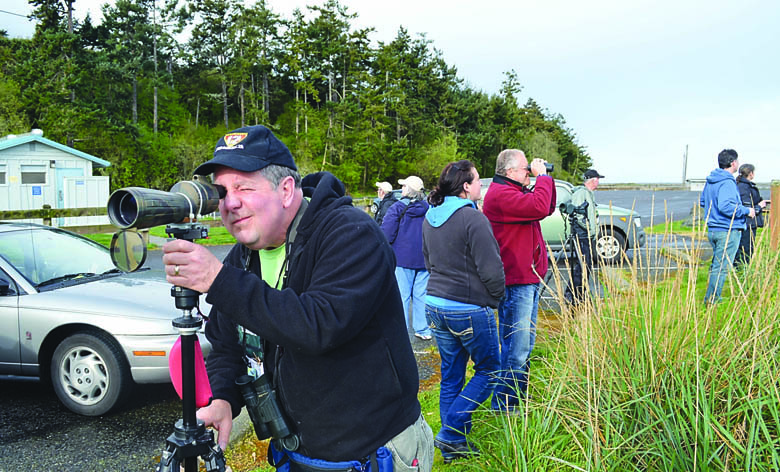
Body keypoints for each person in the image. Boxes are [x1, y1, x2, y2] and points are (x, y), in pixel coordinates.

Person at [161, 125, 433, 471]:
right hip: (298, 453)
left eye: (244, 186)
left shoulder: (351, 234)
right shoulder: (242, 259)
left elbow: (319, 325)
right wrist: (224, 400)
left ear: (286, 189)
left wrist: (218, 280)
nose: (230, 202)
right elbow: (225, 345)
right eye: (221, 192)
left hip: (374, 452)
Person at [421, 160, 504, 463]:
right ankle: (451, 431)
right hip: (468, 309)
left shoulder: (431, 216)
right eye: (478, 180)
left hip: (435, 304)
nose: (482, 185)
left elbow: (428, 262)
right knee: (491, 370)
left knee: (452, 374)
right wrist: (495, 299)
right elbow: (492, 269)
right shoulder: (473, 218)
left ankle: (453, 446)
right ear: (466, 186)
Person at [482, 149, 556, 412]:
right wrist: (542, 178)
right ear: (510, 171)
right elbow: (538, 206)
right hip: (517, 281)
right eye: (526, 169)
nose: (529, 172)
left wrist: (545, 180)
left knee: (523, 344)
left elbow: (546, 207)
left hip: (528, 278)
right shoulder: (501, 195)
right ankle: (506, 405)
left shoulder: (513, 191)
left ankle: (514, 400)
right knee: (517, 346)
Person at [700, 149, 755, 305]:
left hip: (713, 230)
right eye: (737, 161)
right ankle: (712, 300)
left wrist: (714, 216)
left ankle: (711, 297)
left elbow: (703, 202)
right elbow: (725, 206)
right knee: (721, 267)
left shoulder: (711, 180)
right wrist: (747, 211)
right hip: (727, 230)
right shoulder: (727, 181)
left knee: (716, 265)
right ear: (733, 163)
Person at [381, 175, 433, 340]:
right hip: (424, 259)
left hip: (402, 259)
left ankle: (401, 331)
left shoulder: (397, 208)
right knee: (421, 295)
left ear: (408, 190)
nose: (401, 189)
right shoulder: (429, 208)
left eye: (403, 187)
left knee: (402, 296)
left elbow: (387, 233)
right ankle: (423, 329)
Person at [564, 168, 603, 305]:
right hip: (581, 235)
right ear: (593, 180)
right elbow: (577, 214)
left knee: (585, 265)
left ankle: (577, 293)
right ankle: (573, 294)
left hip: (586, 235)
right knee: (583, 265)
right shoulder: (581, 193)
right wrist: (586, 227)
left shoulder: (588, 194)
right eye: (598, 179)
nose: (598, 182)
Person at [734, 164, 769, 267]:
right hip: (747, 223)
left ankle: (741, 270)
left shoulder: (742, 185)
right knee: (746, 250)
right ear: (751, 173)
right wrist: (759, 206)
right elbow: (747, 206)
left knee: (744, 249)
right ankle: (741, 272)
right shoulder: (744, 187)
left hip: (746, 223)